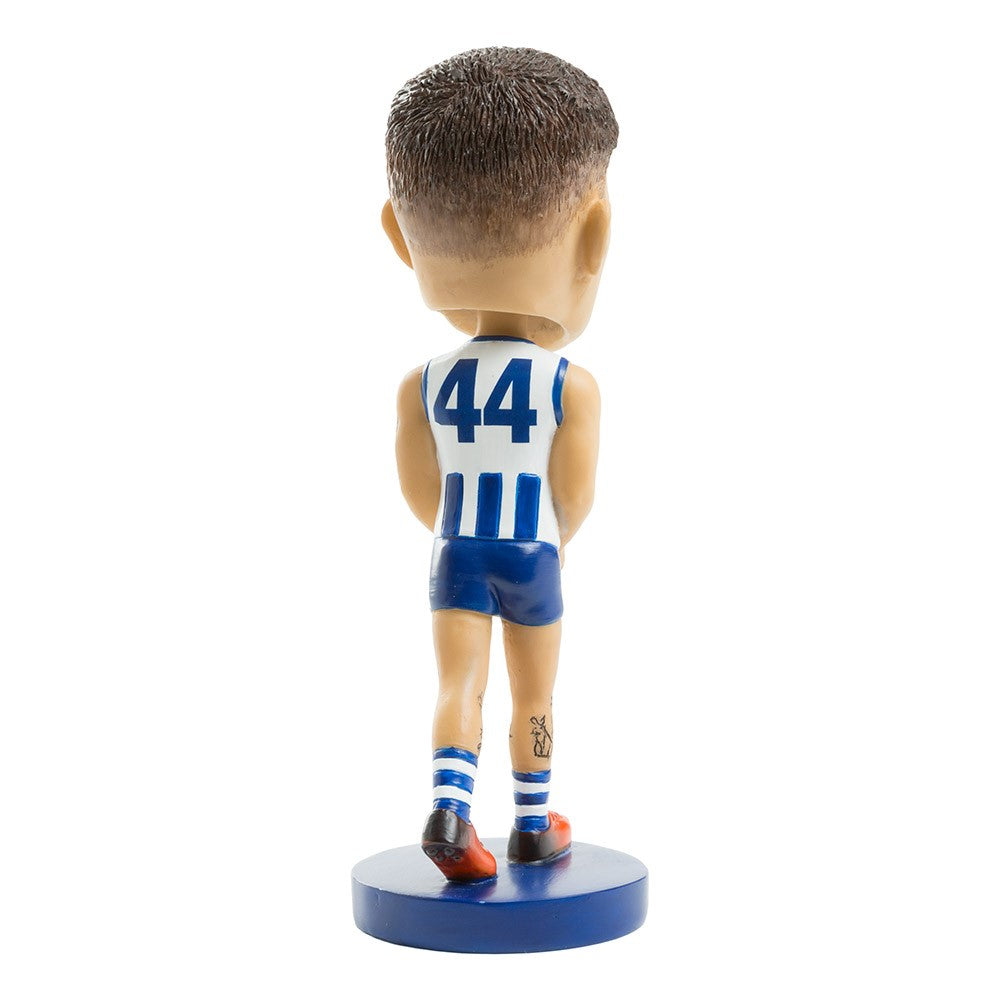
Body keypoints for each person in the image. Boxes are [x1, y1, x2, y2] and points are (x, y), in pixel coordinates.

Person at [383, 46, 618, 881]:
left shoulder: (424, 384)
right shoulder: (568, 384)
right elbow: (574, 495)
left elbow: (422, 490)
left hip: (455, 548)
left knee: (459, 683)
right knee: (534, 693)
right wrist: (550, 540)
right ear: (595, 233)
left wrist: (458, 530)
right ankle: (531, 823)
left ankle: (450, 808)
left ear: (401, 238)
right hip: (531, 550)